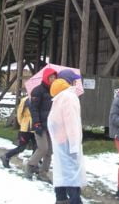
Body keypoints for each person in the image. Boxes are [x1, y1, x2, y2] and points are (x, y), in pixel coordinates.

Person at [48, 76, 86, 204]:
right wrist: (74, 144)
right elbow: (72, 123)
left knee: (62, 173)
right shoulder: (69, 97)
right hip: (68, 142)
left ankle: (61, 199)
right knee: (71, 176)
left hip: (61, 142)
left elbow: (54, 121)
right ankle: (74, 201)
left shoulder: (59, 99)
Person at [26, 67, 57, 180]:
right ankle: (30, 166)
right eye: (51, 77)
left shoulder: (55, 91)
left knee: (50, 151)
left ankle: (43, 172)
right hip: (39, 125)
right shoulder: (37, 90)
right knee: (43, 148)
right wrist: (37, 124)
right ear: (46, 77)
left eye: (55, 77)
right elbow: (33, 109)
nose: (53, 79)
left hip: (51, 125)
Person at [0, 95, 37, 168]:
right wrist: (22, 123)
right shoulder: (25, 100)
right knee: (21, 147)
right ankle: (6, 156)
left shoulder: (39, 98)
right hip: (26, 127)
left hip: (35, 127)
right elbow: (19, 113)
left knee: (37, 147)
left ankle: (33, 164)